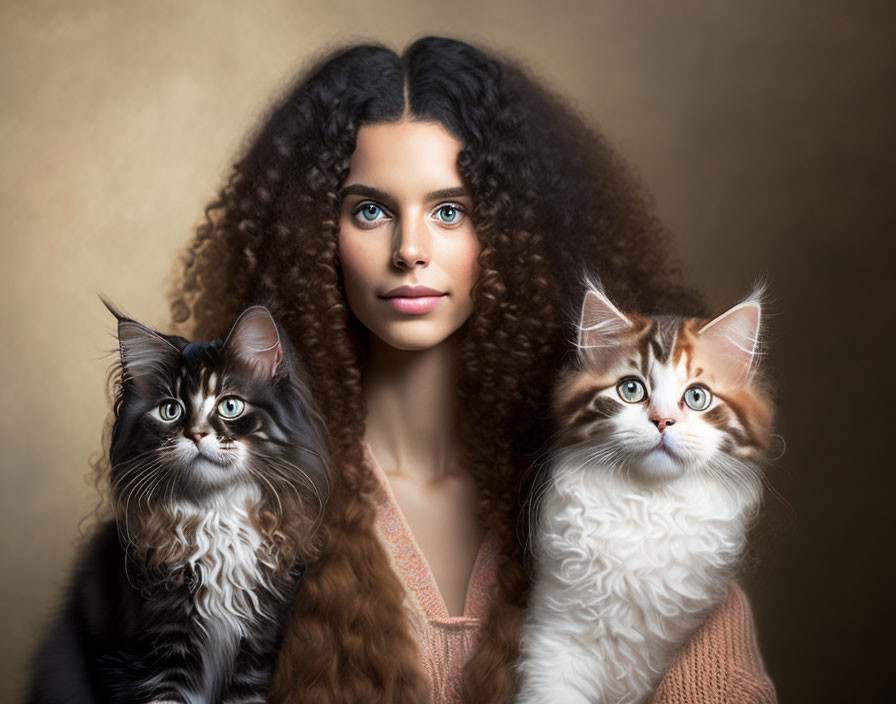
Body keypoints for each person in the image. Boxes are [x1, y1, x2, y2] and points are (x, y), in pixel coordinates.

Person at [170, 36, 775, 704]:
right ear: (313, 234)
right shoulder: (229, 499)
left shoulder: (633, 488)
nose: (409, 251)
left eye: (450, 211)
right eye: (370, 210)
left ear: (516, 231)